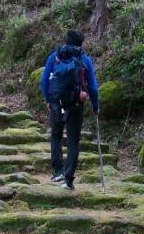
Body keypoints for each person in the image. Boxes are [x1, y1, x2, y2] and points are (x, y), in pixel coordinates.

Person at [39, 30, 99, 190]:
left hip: (57, 103)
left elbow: (44, 80)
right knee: (73, 140)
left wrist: (48, 99)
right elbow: (93, 87)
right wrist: (95, 106)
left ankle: (58, 171)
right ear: (81, 44)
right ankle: (68, 180)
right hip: (75, 104)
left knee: (56, 135)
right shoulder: (85, 59)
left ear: (65, 41)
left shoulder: (54, 57)